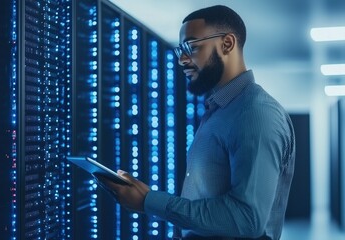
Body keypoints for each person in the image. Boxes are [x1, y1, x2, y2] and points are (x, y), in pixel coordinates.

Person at [93, 5, 295, 240]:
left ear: (227, 44)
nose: (182, 60)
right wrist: (143, 196)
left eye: (191, 47)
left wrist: (149, 201)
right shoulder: (220, 110)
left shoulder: (257, 114)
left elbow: (246, 219)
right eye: (180, 49)